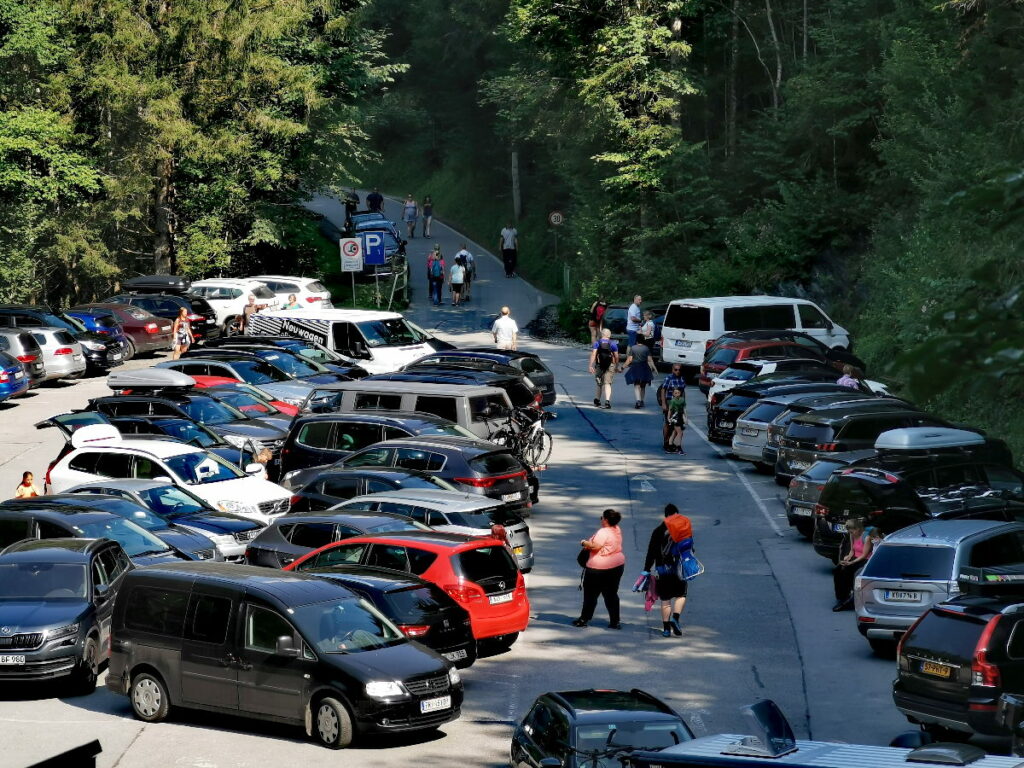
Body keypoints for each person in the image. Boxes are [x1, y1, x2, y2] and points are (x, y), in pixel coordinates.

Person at [643, 504, 693, 637]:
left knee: (665, 600)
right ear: (677, 514)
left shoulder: (658, 531)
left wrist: (646, 569)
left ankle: (666, 629)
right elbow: (689, 549)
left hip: (662, 569)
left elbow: (651, 552)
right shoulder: (683, 530)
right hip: (679, 568)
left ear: (665, 516)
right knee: (681, 595)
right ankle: (675, 618)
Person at [573, 509, 625, 629]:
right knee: (611, 594)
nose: (601, 519)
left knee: (590, 595)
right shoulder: (616, 529)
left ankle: (584, 618)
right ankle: (615, 621)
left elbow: (595, 546)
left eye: (602, 517)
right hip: (617, 566)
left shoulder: (603, 532)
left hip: (598, 569)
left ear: (606, 520)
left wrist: (584, 542)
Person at [832, 519, 873, 611]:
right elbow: (852, 550)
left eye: (852, 531)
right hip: (855, 558)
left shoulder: (866, 538)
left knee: (849, 571)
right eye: (850, 531)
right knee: (838, 570)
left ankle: (850, 597)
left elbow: (864, 555)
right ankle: (841, 596)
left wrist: (851, 562)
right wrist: (847, 558)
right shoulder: (852, 535)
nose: (851, 533)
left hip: (864, 560)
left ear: (858, 529)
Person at [658, 364, 688, 453]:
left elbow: (683, 392)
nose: (677, 371)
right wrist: (663, 404)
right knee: (668, 423)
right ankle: (666, 442)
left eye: (679, 370)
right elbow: (663, 390)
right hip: (670, 402)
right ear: (672, 370)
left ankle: (673, 443)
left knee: (677, 424)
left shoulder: (682, 379)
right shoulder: (669, 378)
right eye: (675, 370)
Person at [589, 328, 619, 409]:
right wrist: (617, 365)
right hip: (610, 365)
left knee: (599, 383)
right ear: (609, 335)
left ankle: (597, 400)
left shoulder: (597, 343)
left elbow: (593, 354)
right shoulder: (613, 343)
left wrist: (591, 365)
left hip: (599, 365)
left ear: (602, 334)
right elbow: (616, 356)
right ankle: (607, 401)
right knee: (607, 383)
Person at [622, 339, 657, 408]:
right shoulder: (646, 348)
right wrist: (655, 369)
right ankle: (641, 401)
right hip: (644, 367)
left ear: (637, 341)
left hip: (636, 367)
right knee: (643, 386)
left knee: (636, 385)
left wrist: (622, 367)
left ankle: (638, 401)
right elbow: (650, 360)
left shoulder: (633, 348)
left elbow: (629, 360)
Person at [666, 387, 687, 454]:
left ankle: (670, 446)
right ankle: (678, 447)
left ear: (680, 393)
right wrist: (668, 418)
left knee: (675, 432)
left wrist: (686, 417)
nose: (677, 394)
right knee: (680, 433)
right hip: (675, 417)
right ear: (673, 394)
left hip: (680, 416)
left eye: (678, 392)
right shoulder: (673, 401)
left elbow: (684, 409)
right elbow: (670, 410)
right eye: (675, 393)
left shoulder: (682, 400)